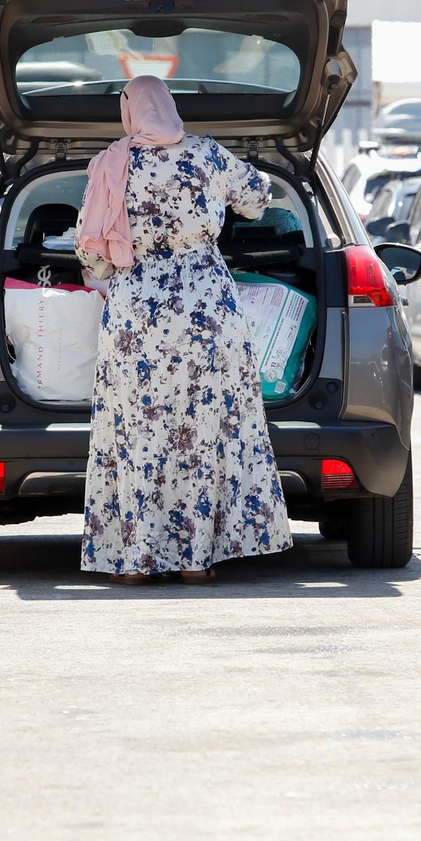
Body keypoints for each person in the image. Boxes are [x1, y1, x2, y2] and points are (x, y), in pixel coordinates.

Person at [75, 75, 291, 584]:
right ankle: (196, 560)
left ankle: (133, 561)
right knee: (201, 435)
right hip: (207, 311)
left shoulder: (110, 163)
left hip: (137, 316)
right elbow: (259, 197)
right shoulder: (208, 155)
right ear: (169, 107)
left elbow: (88, 249)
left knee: (137, 434)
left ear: (129, 112)